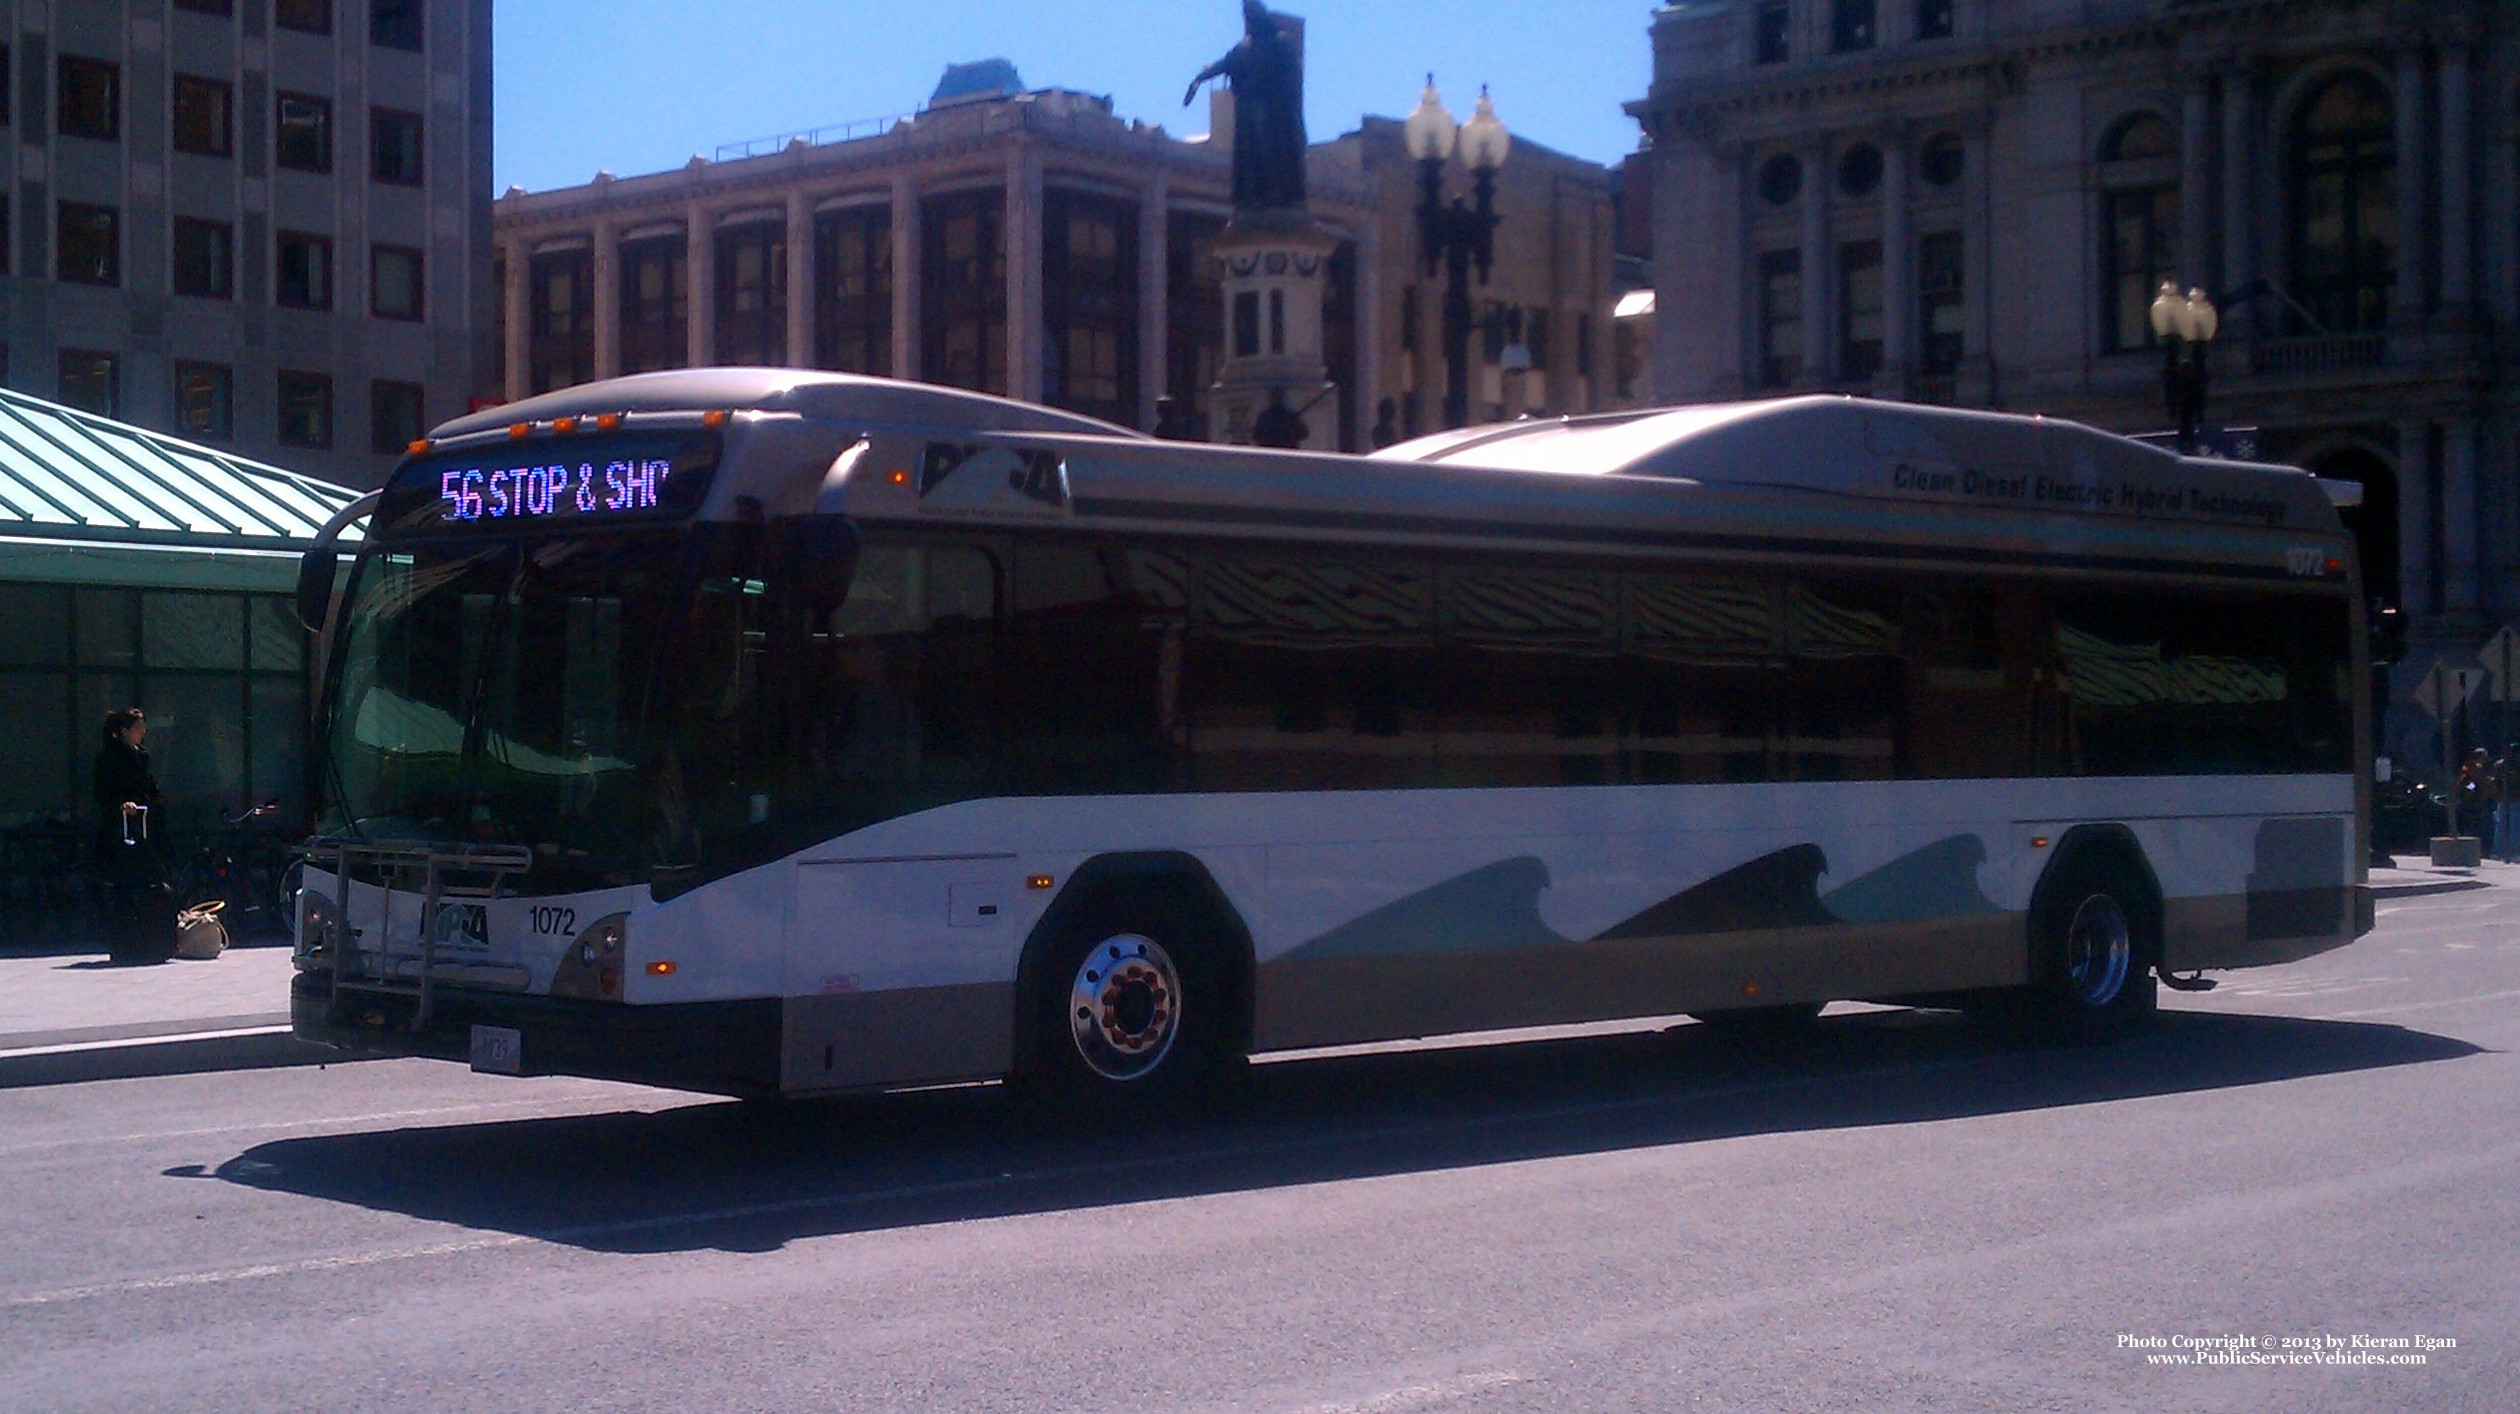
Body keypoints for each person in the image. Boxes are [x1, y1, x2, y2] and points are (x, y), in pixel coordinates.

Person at [91, 707, 175, 964]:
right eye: (138, 728)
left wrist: (156, 799)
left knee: (153, 875)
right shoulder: (109, 758)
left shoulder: (142, 756)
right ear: (124, 732)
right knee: (123, 881)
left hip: (146, 823)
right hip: (121, 827)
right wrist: (121, 804)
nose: (142, 733)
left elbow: (148, 785)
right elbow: (103, 791)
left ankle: (153, 938)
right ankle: (127, 938)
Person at [2457, 746, 2495, 852]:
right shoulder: (2473, 767)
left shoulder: (2472, 767)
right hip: (2476, 800)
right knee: (2478, 825)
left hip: (2477, 798)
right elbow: (2471, 783)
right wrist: (2472, 790)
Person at [2498, 743, 2520, 863]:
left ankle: (2498, 852)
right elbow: (2474, 783)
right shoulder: (2516, 765)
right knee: (2515, 827)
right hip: (2515, 798)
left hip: (2502, 798)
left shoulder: (2500, 765)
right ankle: (2513, 852)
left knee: (2501, 827)